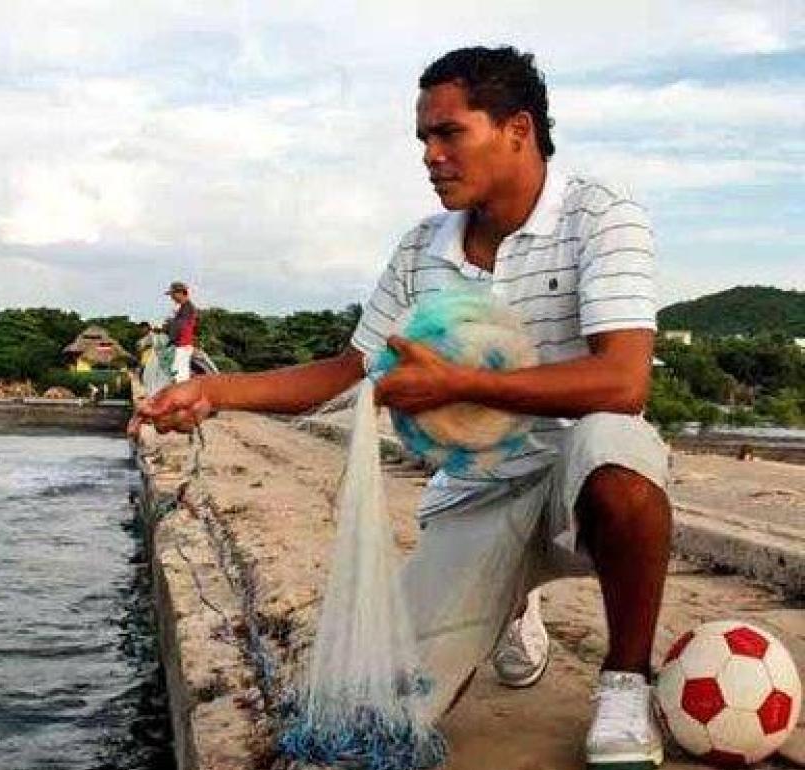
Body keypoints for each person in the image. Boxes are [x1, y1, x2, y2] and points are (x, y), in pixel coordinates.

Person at [130, 46, 669, 770]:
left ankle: (626, 682)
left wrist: (460, 385)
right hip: (473, 494)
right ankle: (507, 599)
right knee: (376, 718)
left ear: (517, 129)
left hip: (577, 482)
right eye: (423, 139)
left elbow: (623, 379)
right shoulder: (422, 249)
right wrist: (214, 391)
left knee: (618, 455)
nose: (430, 155)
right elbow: (350, 371)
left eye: (449, 133)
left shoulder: (601, 216)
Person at [164, 281, 199, 383]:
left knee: (179, 377)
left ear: (180, 293)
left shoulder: (187, 308)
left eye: (173, 294)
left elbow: (179, 328)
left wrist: (169, 329)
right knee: (179, 375)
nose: (172, 297)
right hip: (182, 345)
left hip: (183, 345)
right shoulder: (184, 308)